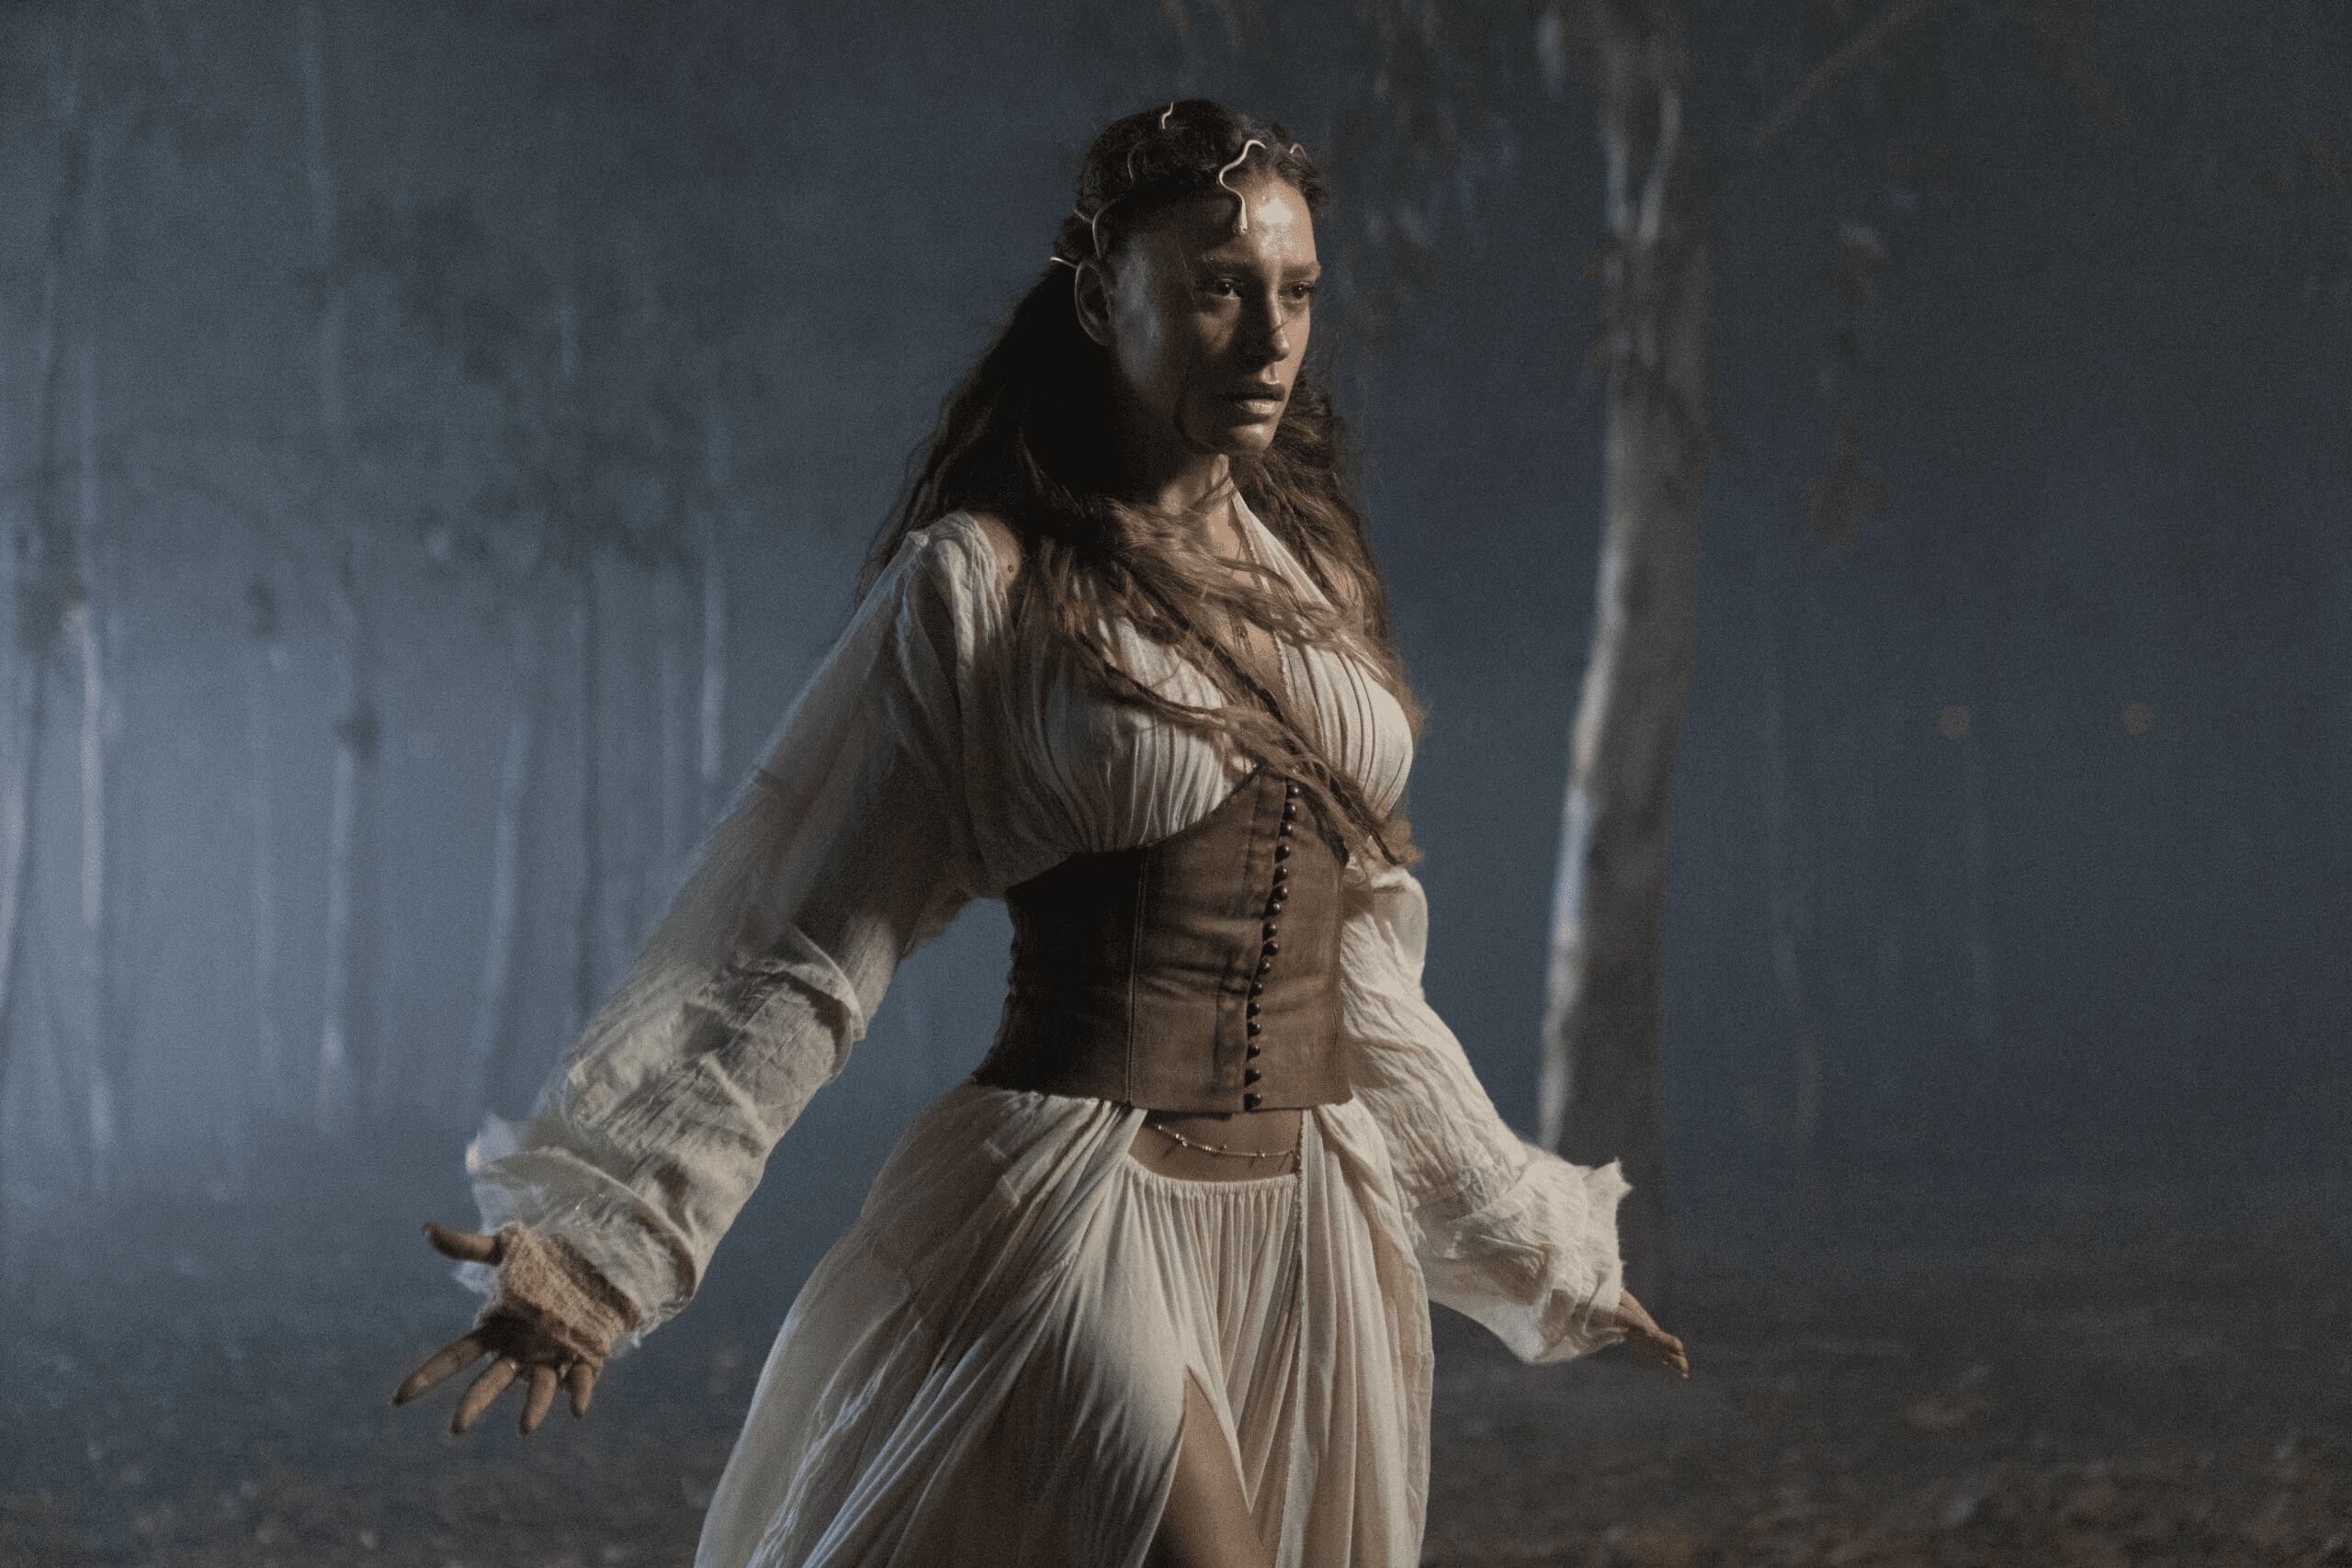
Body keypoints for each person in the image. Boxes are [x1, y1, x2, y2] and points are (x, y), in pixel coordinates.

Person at [393, 99, 1687, 1568]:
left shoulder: (1314, 582)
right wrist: (602, 1245)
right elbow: (798, 945)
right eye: (1218, 288)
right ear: (1099, 297)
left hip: (1312, 1220)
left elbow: (1363, 979)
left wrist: (1531, 1239)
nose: (1271, 337)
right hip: (1081, 1204)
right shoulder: (987, 586)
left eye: (1298, 292)